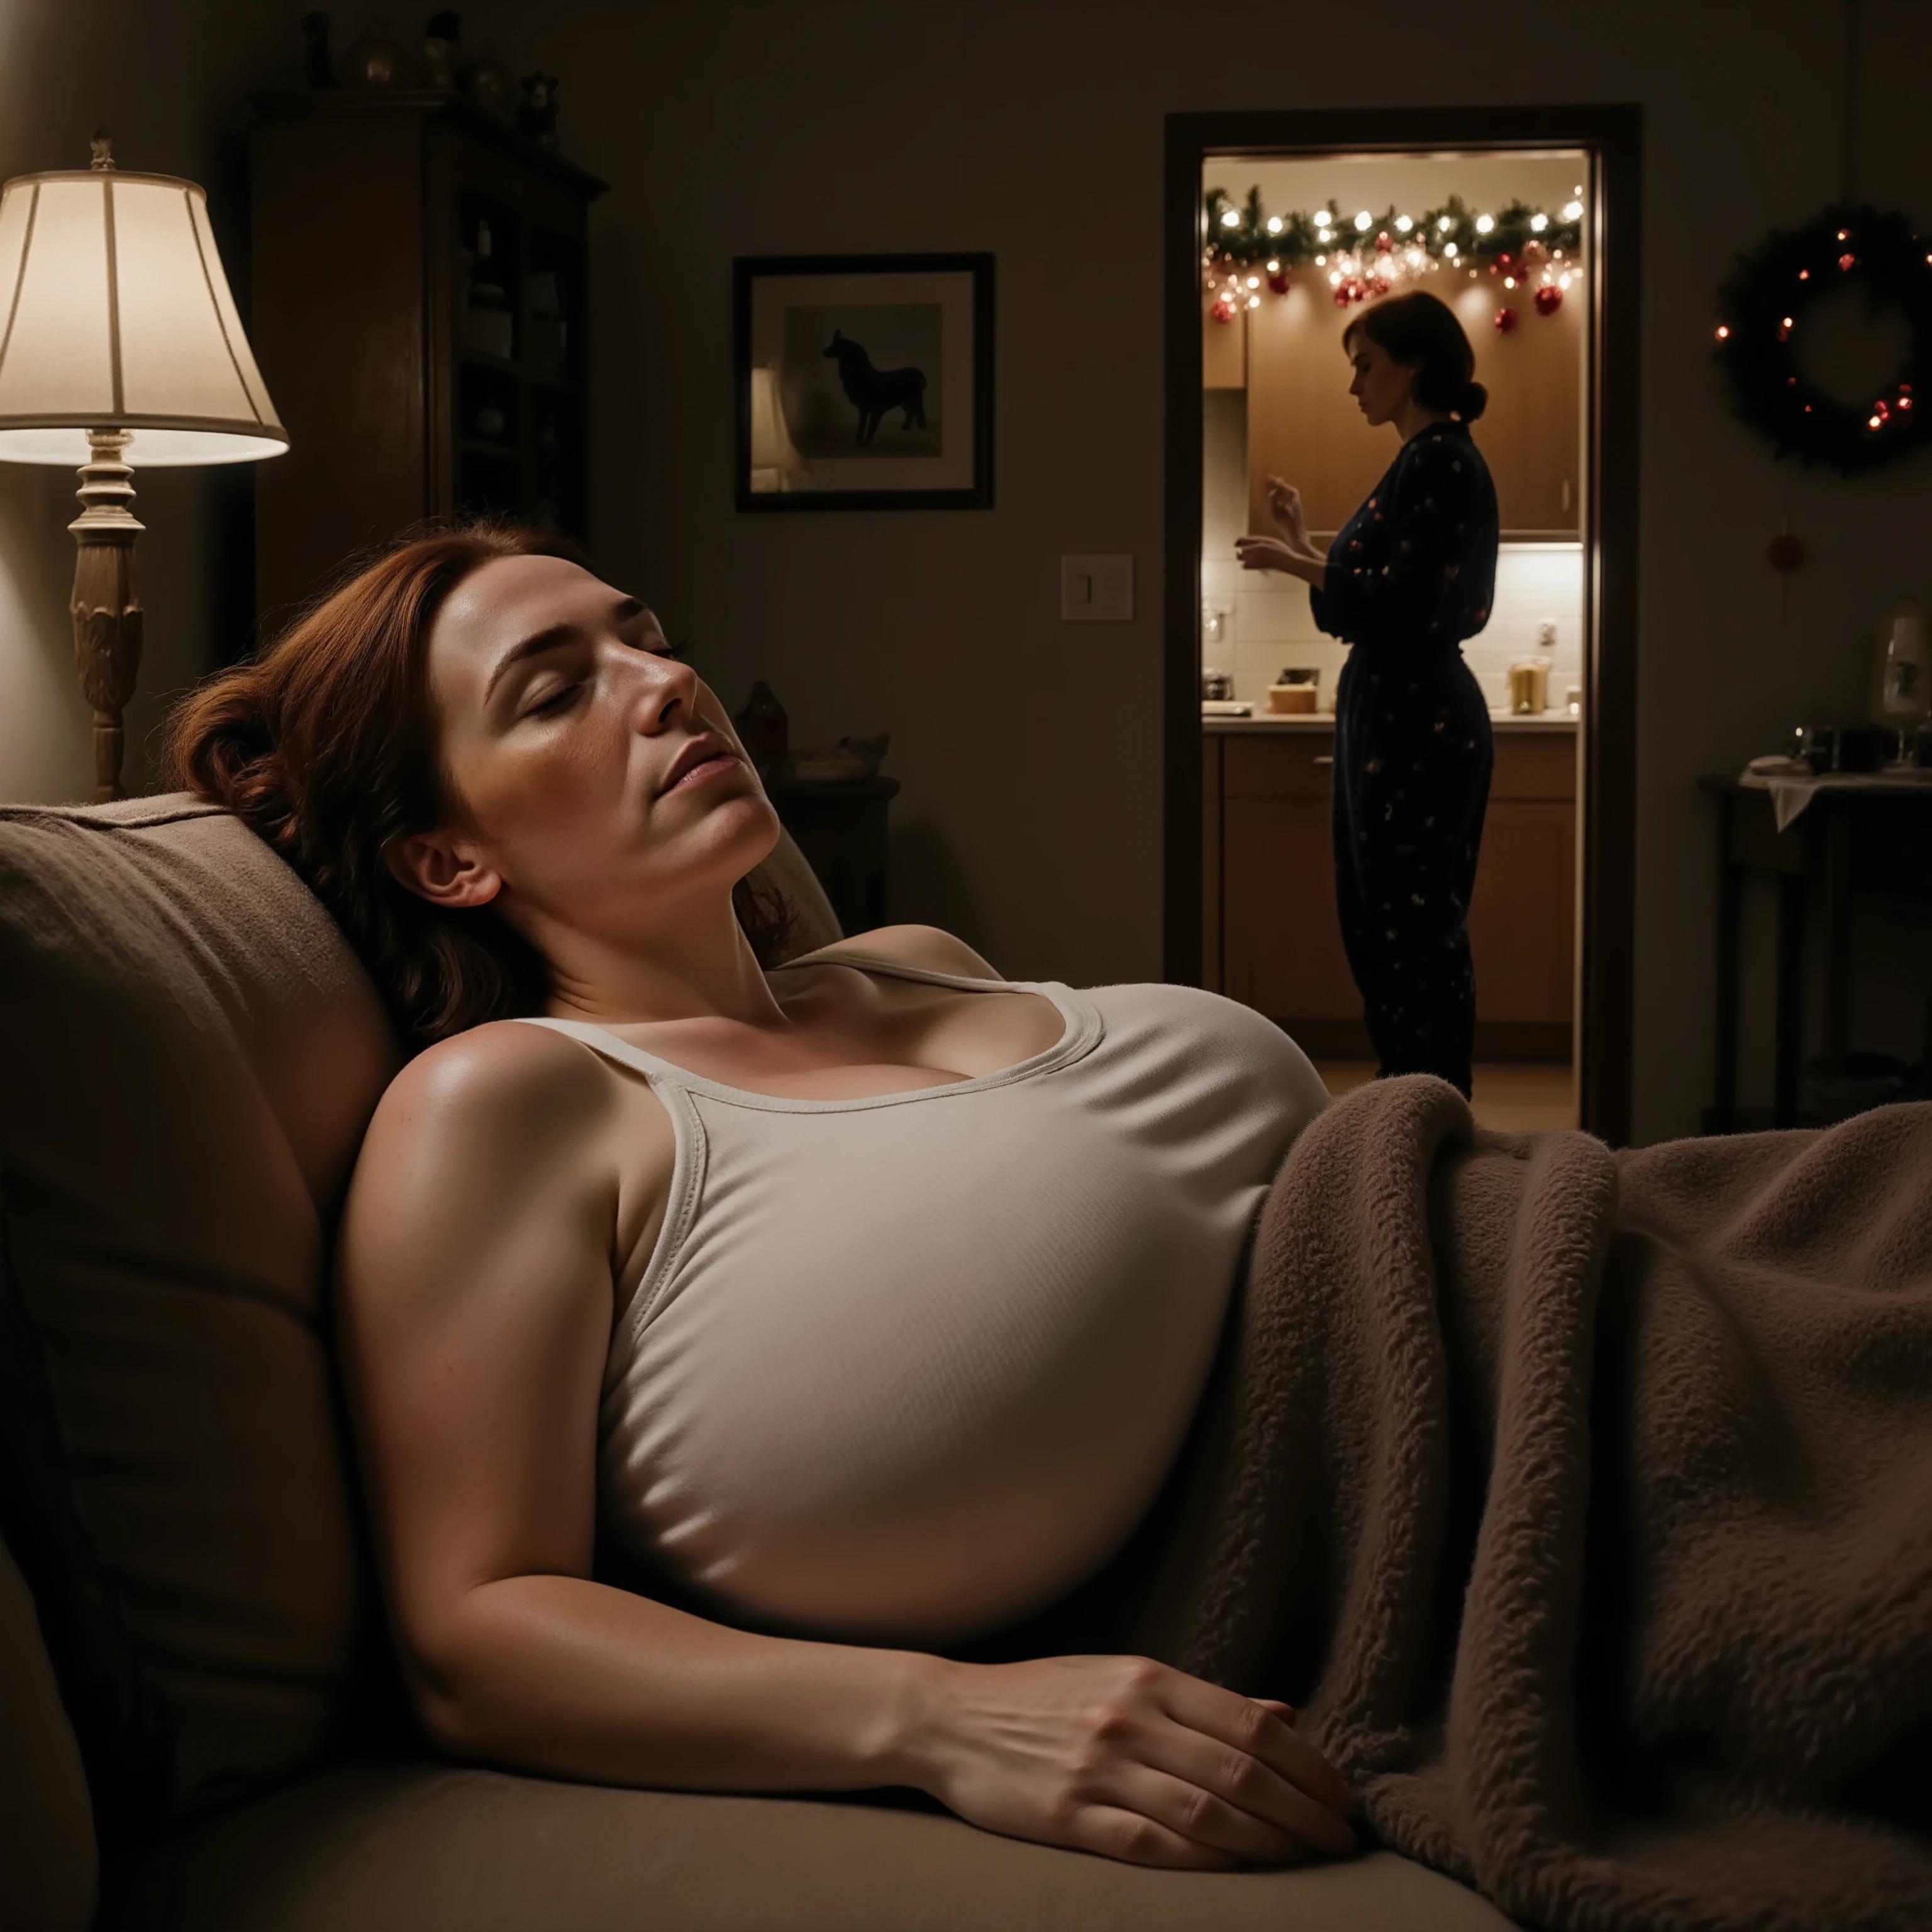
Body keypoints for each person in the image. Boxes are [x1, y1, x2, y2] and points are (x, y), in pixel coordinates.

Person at [164, 526, 1358, 1875]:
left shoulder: (920, 963)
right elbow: (475, 1634)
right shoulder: (515, 1107)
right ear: (448, 860)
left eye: (648, 638)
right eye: (557, 690)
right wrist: (942, 1720)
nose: (667, 683)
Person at [1236, 291, 1499, 1098]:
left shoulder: (1442, 457)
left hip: (1416, 717)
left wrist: (1296, 564)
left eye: (1365, 366)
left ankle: (1429, 1109)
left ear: (1411, 365)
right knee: (1384, 924)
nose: (1355, 386)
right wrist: (1305, 543)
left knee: (1411, 931)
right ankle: (1411, 1102)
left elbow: (1414, 598)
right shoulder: (1417, 460)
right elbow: (1371, 593)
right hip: (1392, 711)